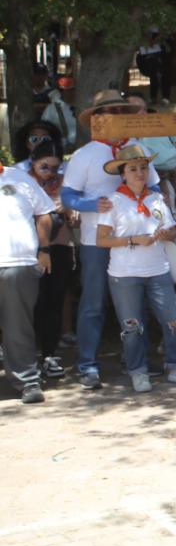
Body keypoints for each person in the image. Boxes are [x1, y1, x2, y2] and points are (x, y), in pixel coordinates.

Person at [61, 89, 154, 389]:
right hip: (96, 240)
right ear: (97, 117)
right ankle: (88, 363)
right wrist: (92, 204)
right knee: (94, 301)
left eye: (121, 111)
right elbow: (68, 195)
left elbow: (153, 186)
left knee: (136, 302)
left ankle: (136, 361)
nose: (117, 116)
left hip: (135, 238)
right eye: (110, 111)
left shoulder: (138, 148)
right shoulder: (84, 155)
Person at [97, 144, 176, 392]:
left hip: (158, 269)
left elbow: (171, 230)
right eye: (133, 169)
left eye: (143, 168)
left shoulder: (156, 198)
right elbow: (101, 239)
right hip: (124, 273)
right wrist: (134, 240)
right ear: (123, 174)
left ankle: (175, 365)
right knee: (131, 326)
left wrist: (165, 234)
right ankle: (138, 371)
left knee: (173, 320)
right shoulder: (113, 201)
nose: (139, 173)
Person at [0, 152, 56, 404]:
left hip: (19, 264)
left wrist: (44, 250)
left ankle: (28, 381)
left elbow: (44, 213)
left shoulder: (19, 178)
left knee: (18, 326)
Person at [26, 143, 74, 383]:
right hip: (29, 249)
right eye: (44, 167)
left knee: (53, 302)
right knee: (31, 304)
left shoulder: (65, 183)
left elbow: (74, 220)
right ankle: (28, 358)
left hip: (60, 248)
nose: (50, 173)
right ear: (32, 164)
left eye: (55, 168)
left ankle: (49, 355)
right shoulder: (22, 183)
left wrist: (69, 210)